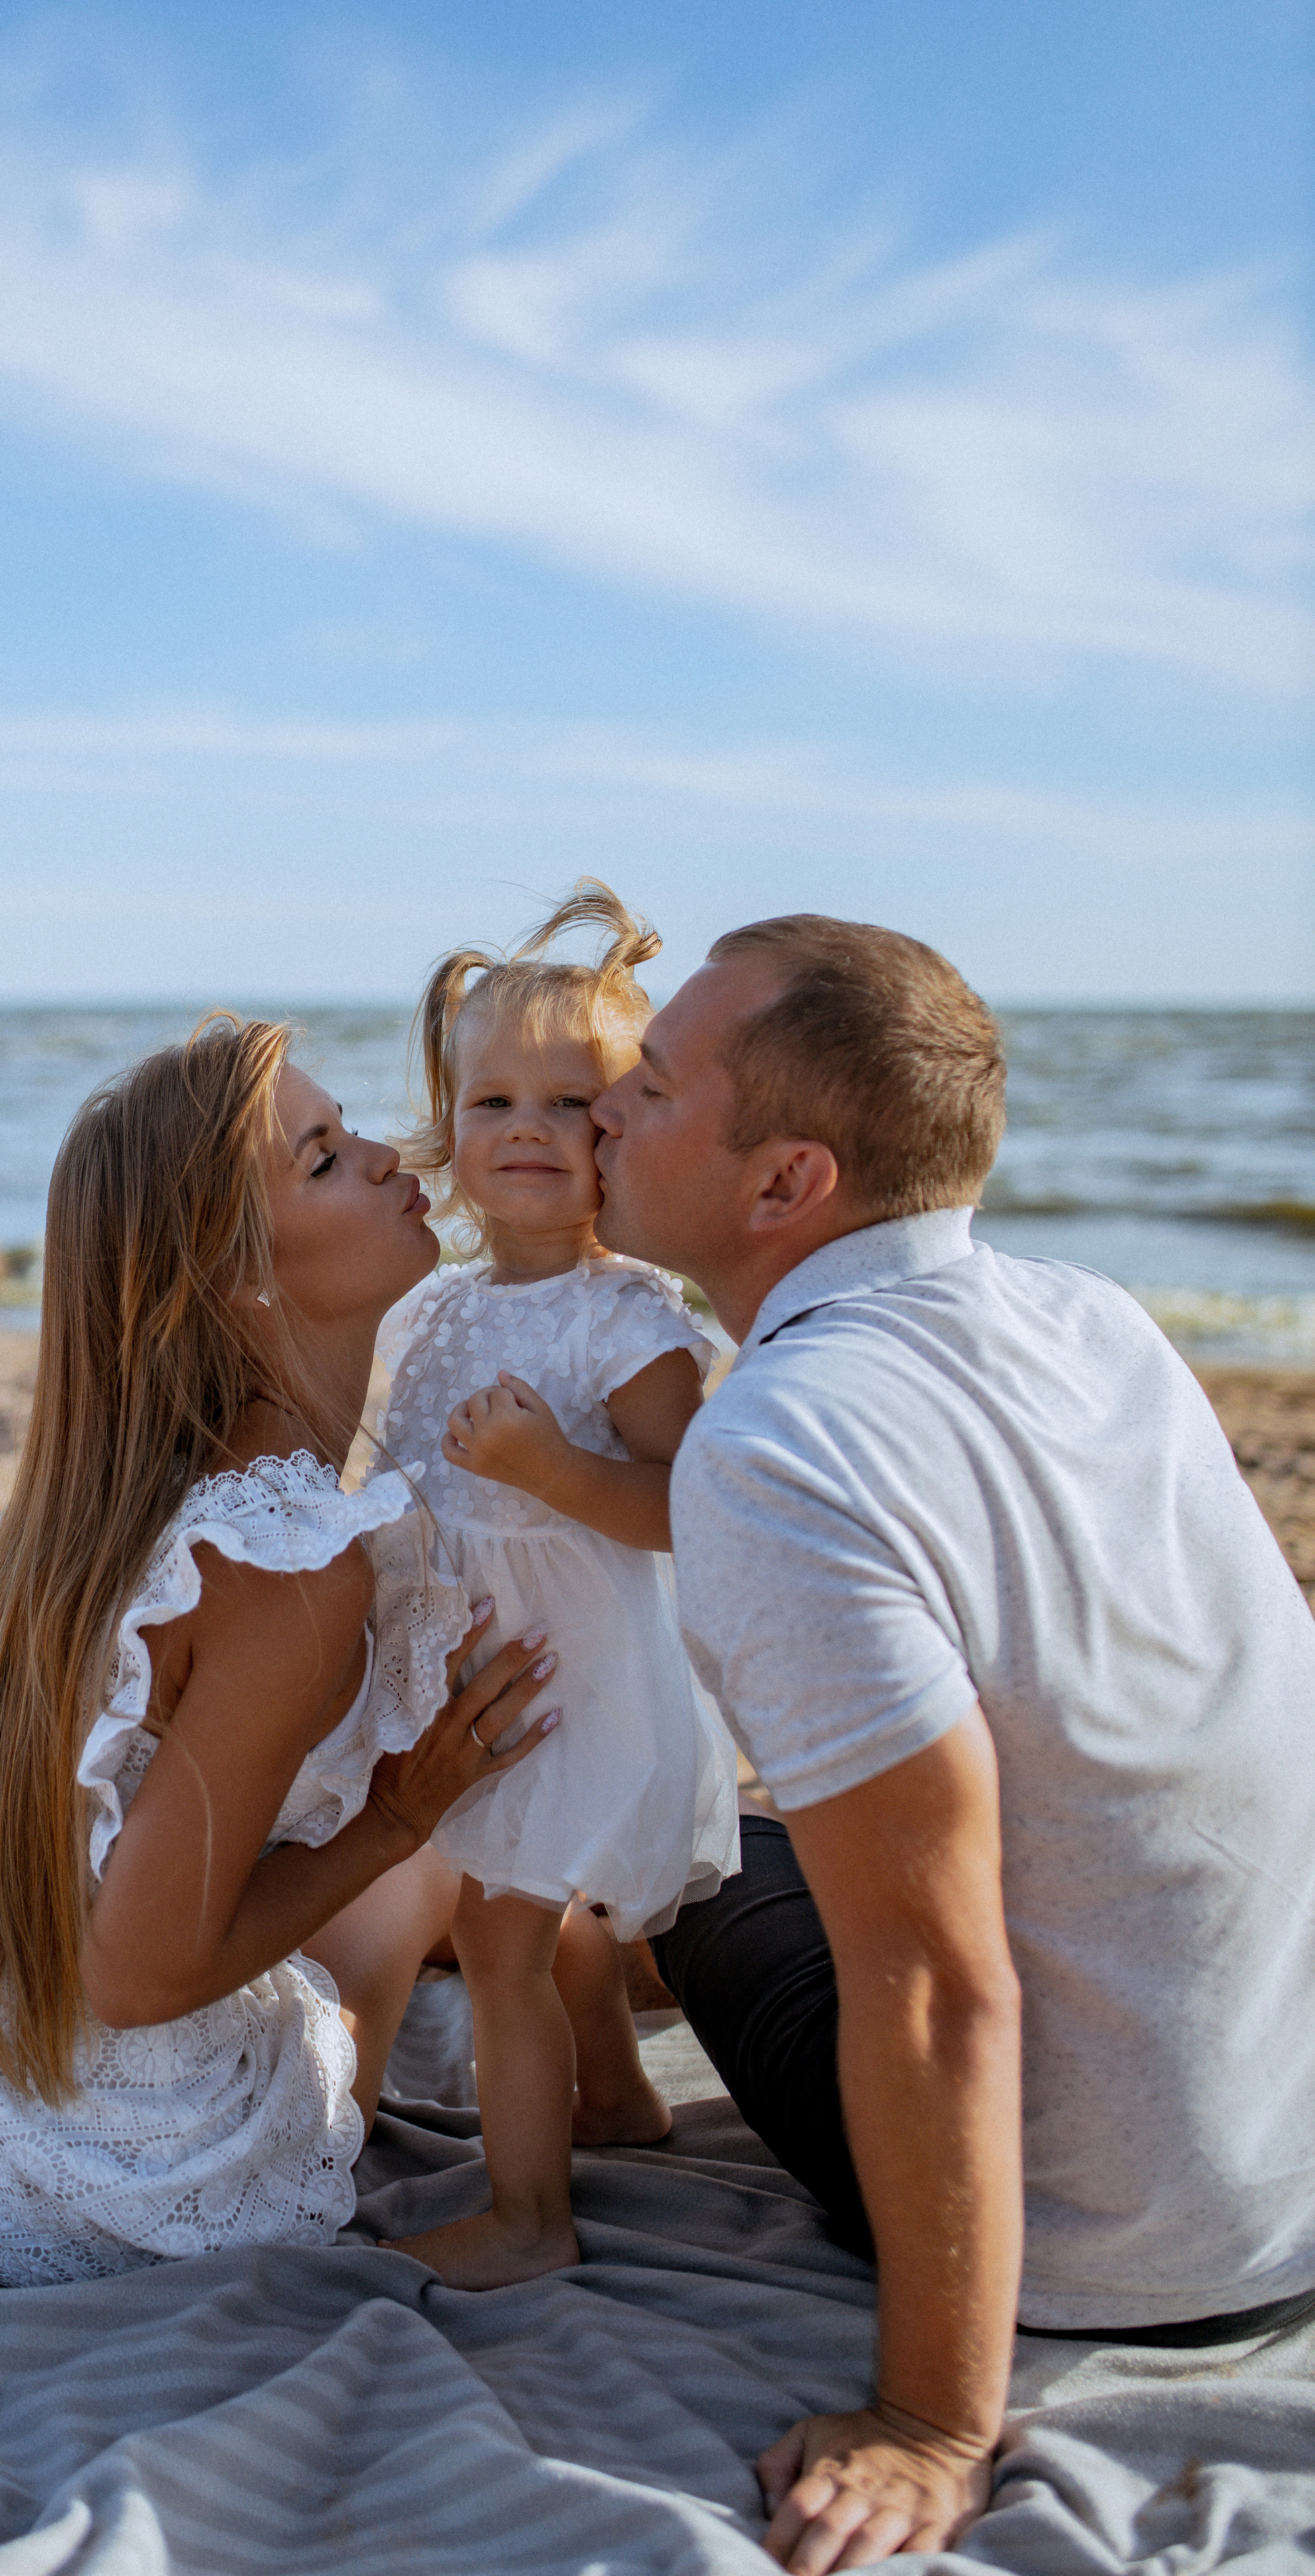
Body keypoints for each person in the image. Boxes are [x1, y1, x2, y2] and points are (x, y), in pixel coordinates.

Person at [590, 914, 1315, 2573]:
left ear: (784, 1186)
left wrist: (928, 2426)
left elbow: (930, 1977)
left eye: (649, 1082)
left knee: (676, 1857)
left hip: (1117, 2245)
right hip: (1275, 2153)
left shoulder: (775, 1444)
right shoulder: (1093, 1315)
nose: (600, 1112)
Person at [0, 1018, 560, 2286]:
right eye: (323, 1159)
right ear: (237, 1277)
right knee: (415, 1876)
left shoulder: (134, 1482)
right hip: (111, 2169)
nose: (386, 1155)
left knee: (400, 1870)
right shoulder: (288, 1571)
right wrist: (393, 1817)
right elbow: (140, 1976)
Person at [376, 884, 739, 2289]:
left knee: (499, 1931)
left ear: (625, 1131)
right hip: (478, 1667)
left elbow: (684, 1511)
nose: (526, 1128)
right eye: (491, 1103)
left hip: (573, 1686)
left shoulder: (628, 1319)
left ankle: (529, 2218)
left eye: (569, 1102)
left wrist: (546, 1471)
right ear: (450, 1129)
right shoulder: (443, 1308)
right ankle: (620, 2100)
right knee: (547, 1911)